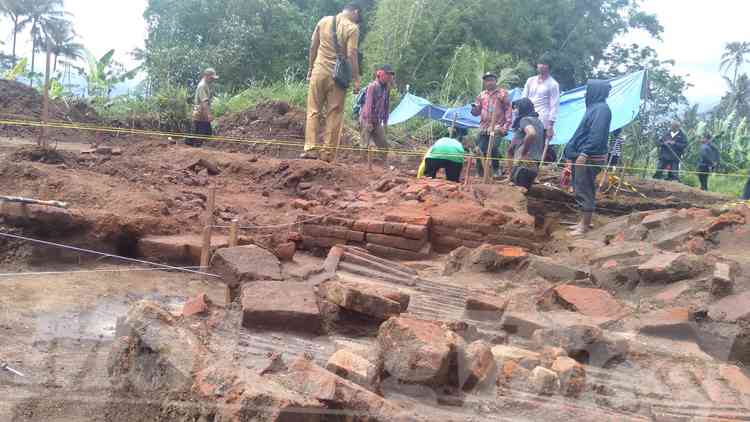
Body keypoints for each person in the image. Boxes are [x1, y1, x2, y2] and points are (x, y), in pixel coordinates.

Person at [304, 3, 362, 161]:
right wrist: (356, 79)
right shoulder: (352, 28)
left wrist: (310, 69)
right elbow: (351, 54)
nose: (358, 20)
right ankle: (327, 155)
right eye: (358, 17)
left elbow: (313, 46)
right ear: (355, 12)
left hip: (318, 71)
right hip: (337, 78)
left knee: (313, 110)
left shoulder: (323, 21)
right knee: (334, 114)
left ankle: (310, 149)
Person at [563, 80, 613, 237]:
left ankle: (584, 225)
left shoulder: (601, 110)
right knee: (580, 187)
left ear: (596, 91)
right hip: (582, 155)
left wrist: (584, 153)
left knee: (585, 189)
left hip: (589, 157)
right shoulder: (595, 108)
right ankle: (582, 222)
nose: (586, 93)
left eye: (588, 90)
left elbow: (596, 135)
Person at [471, 72, 512, 178]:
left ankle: (496, 169)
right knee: (479, 149)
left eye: (491, 80)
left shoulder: (502, 94)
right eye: (487, 80)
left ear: (496, 81)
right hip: (484, 127)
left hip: (498, 126)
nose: (489, 82)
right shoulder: (481, 95)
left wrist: (505, 127)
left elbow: (508, 110)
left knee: (493, 147)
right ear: (484, 82)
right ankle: (479, 172)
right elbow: (476, 113)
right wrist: (474, 109)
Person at [522, 54, 561, 158]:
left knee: (536, 151)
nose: (541, 66)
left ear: (549, 67)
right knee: (519, 145)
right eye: (540, 63)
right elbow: (523, 99)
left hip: (542, 120)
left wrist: (550, 127)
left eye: (545, 64)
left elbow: (554, 106)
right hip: (526, 118)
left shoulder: (553, 84)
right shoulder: (530, 80)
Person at [360, 64, 395, 161]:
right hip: (366, 119)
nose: (388, 77)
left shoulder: (387, 88)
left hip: (377, 121)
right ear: (380, 74)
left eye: (390, 75)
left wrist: (386, 121)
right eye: (387, 74)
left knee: (383, 145)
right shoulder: (372, 86)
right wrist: (369, 121)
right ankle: (361, 164)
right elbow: (368, 105)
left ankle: (382, 164)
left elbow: (386, 105)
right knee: (364, 144)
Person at [509, 98, 545, 191]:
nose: (515, 110)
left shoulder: (524, 120)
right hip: (534, 165)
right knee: (523, 192)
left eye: (516, 108)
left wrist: (524, 153)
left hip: (523, 165)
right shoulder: (539, 122)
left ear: (522, 108)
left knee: (517, 193)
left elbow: (531, 133)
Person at [188, 68, 219, 147]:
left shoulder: (205, 85)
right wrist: (208, 115)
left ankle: (194, 146)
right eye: (211, 78)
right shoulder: (202, 86)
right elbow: (204, 103)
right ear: (206, 76)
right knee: (200, 133)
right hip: (201, 113)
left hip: (201, 112)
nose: (212, 80)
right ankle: (194, 148)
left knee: (205, 133)